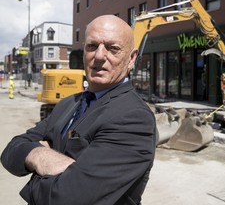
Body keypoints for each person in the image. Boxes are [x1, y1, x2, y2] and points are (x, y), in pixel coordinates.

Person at [1, 15, 156, 205]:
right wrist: (39, 155)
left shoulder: (133, 117)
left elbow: (66, 198)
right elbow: (11, 150)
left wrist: (34, 173)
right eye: (92, 46)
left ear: (132, 58)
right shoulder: (69, 103)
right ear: (83, 51)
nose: (99, 56)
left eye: (113, 48)